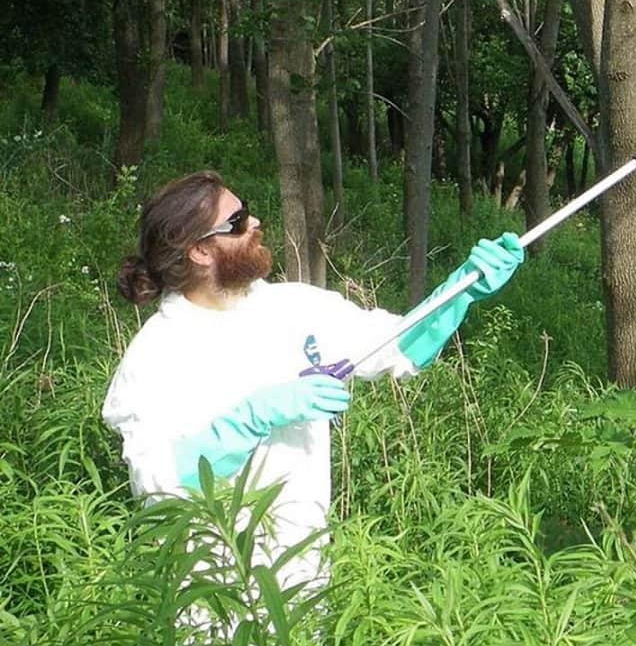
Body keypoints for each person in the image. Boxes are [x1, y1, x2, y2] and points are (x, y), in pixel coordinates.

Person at [103, 170, 524, 588]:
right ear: (199, 251)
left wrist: (463, 289)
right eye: (236, 221)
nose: (254, 223)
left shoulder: (294, 308)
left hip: (303, 577)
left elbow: (397, 345)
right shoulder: (156, 354)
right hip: (213, 592)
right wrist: (248, 419)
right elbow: (157, 485)